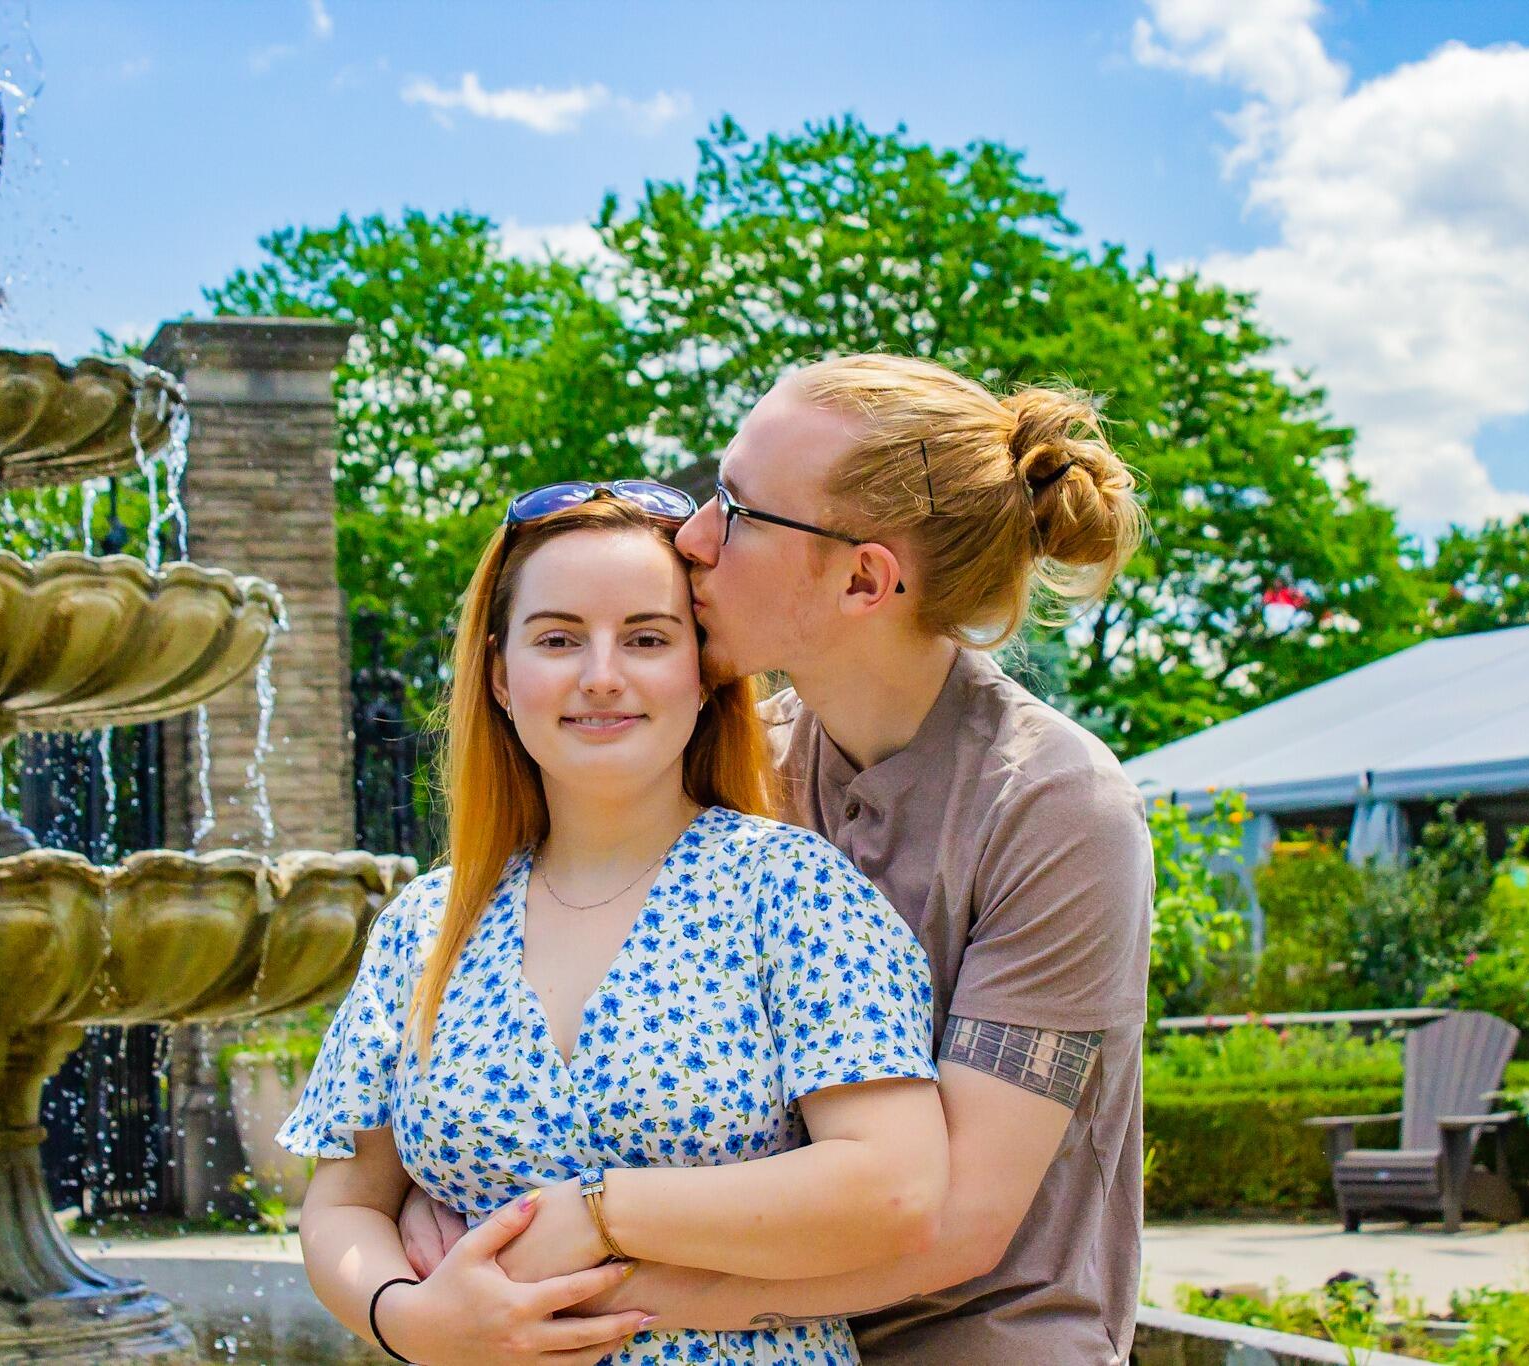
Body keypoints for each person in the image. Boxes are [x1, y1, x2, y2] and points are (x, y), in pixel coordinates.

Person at [402, 354, 1154, 1364]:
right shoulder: (735, 763)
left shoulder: (1056, 811)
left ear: (862, 578)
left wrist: (561, 1285)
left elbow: (954, 1226)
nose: (691, 536)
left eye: (736, 510)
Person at [277, 483, 950, 1366]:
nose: (601, 674)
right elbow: (343, 1204)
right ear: (498, 677)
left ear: (703, 675)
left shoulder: (792, 892)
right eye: (557, 639)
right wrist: (406, 1318)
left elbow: (893, 1190)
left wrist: (593, 1212)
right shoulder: (426, 926)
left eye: (646, 638)